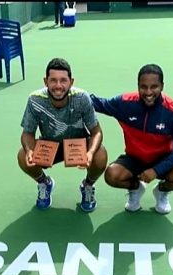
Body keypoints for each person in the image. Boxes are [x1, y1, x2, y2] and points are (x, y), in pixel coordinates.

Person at [90, 64, 173, 214]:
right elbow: (98, 103)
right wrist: (69, 91)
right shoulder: (125, 103)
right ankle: (136, 188)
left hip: (163, 160)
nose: (148, 92)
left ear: (162, 86)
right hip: (135, 159)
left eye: (154, 87)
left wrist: (156, 171)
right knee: (112, 175)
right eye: (143, 87)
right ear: (138, 86)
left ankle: (162, 191)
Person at [18, 57, 108, 212]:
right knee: (22, 156)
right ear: (45, 81)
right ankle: (44, 183)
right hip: (49, 146)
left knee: (100, 155)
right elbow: (27, 133)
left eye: (63, 80)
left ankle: (88, 185)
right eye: (53, 80)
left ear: (71, 82)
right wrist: (29, 151)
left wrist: (90, 153)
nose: (58, 86)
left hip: (78, 147)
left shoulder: (82, 98)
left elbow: (96, 132)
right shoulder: (35, 99)